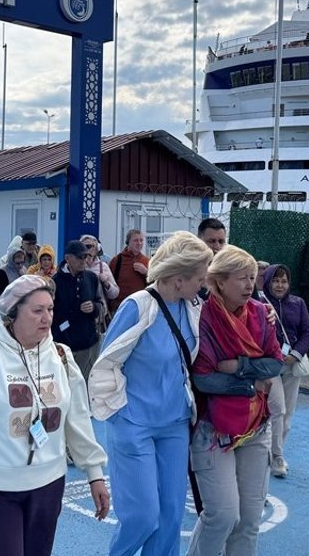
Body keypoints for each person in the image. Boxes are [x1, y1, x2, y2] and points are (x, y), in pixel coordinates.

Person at [0, 275, 110, 556]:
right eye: (37, 310)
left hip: (48, 486)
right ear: (13, 314)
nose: (47, 318)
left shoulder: (61, 357)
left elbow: (77, 419)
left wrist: (94, 473)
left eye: (50, 309)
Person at [90, 231, 213, 556]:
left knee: (171, 516)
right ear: (179, 278)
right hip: (135, 423)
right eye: (199, 278)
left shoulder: (193, 305)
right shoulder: (137, 307)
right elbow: (106, 364)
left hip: (175, 423)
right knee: (142, 517)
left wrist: (267, 313)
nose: (204, 284)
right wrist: (120, 413)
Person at [185, 245, 285, 556]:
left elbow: (276, 363)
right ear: (220, 281)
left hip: (256, 425)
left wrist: (238, 366)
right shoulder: (202, 316)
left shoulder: (261, 313)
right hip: (213, 428)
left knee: (250, 520)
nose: (249, 285)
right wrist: (251, 384)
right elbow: (204, 378)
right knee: (223, 516)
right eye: (242, 278)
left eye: (252, 277)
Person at [260, 263, 309, 479]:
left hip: (292, 364)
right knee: (277, 410)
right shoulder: (260, 303)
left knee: (288, 414)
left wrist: (296, 354)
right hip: (271, 364)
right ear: (268, 281)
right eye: (276, 280)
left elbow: (306, 332)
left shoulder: (298, 303)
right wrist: (273, 354)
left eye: (284, 281)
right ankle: (277, 456)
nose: (280, 285)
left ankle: (275, 453)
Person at [51, 240, 104, 380]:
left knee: (86, 385)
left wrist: (94, 307)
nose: (83, 260)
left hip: (88, 344)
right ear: (67, 258)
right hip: (63, 345)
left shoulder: (91, 278)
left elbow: (101, 305)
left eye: (85, 256)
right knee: (64, 385)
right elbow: (49, 313)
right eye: (79, 257)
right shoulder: (55, 282)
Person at [107, 229, 150, 312]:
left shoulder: (147, 261)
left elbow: (154, 283)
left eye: (141, 240)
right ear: (128, 242)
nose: (139, 243)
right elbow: (110, 284)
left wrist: (146, 272)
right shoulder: (117, 260)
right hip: (120, 307)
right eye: (135, 240)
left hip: (140, 307)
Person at [80, 234, 120, 306]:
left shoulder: (103, 266)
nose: (86, 249)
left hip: (99, 308)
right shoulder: (77, 265)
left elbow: (115, 294)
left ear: (96, 249)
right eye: (83, 247)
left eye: (89, 246)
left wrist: (106, 283)